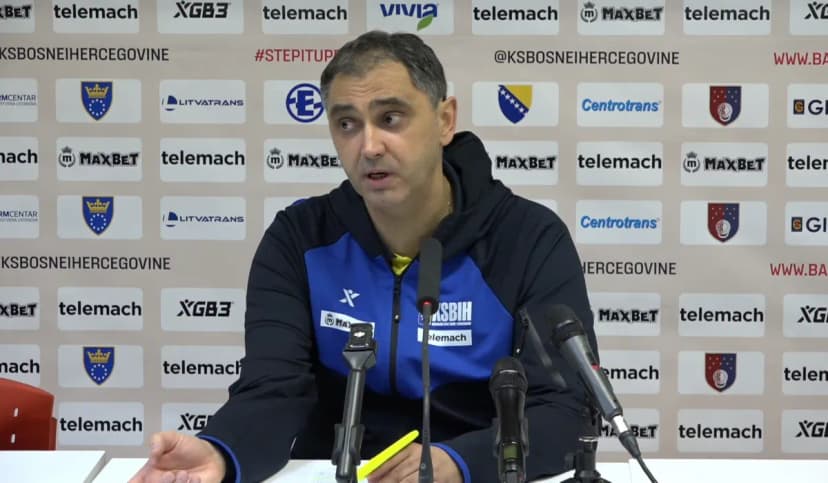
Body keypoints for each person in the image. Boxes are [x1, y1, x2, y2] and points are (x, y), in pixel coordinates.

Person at [130, 30, 598, 483]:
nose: (369, 147)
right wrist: (220, 451)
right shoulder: (299, 238)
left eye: (390, 118)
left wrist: (461, 462)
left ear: (444, 120)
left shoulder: (528, 239)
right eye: (347, 124)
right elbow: (273, 389)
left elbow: (568, 408)